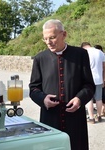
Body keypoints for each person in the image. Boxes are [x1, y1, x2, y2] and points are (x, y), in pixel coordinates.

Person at [29, 19, 95, 150]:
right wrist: (43, 99)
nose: (48, 42)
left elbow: (89, 85)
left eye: (52, 37)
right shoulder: (40, 58)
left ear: (64, 34)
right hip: (50, 119)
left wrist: (79, 99)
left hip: (75, 119)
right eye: (45, 39)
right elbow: (33, 88)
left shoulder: (80, 54)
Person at [81, 42, 105, 123]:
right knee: (99, 99)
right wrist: (104, 79)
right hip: (99, 78)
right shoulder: (100, 52)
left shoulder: (84, 52)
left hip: (88, 79)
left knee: (89, 99)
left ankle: (91, 118)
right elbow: (104, 67)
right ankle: (99, 116)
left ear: (83, 47)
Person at [94, 44, 105, 116]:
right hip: (100, 79)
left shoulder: (102, 56)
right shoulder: (101, 55)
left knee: (101, 96)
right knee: (101, 97)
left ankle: (101, 111)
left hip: (100, 79)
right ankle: (102, 111)